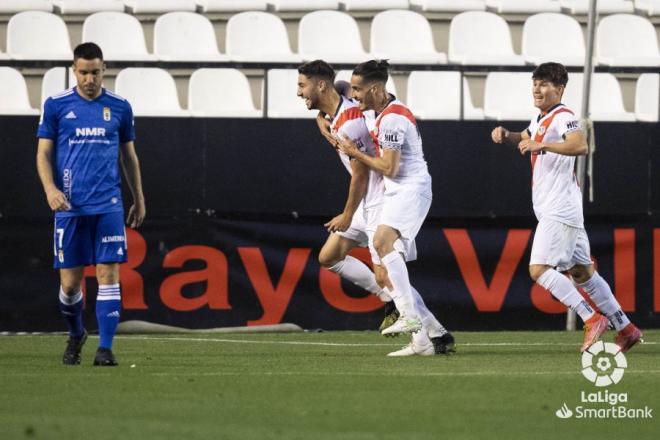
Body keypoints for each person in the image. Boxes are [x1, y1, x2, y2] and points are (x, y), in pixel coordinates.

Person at [490, 62, 642, 353]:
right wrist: (505, 135)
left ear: (559, 89)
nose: (537, 88)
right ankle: (626, 328)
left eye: (545, 84)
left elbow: (580, 145)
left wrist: (542, 147)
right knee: (583, 273)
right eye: (535, 83)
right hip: (560, 208)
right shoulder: (542, 118)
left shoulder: (565, 116)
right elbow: (525, 138)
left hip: (560, 208)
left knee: (538, 269)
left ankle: (591, 317)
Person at [333, 60, 454, 354]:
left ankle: (411, 318)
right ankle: (422, 340)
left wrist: (352, 153)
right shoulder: (381, 112)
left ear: (375, 88)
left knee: (381, 242)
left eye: (358, 89)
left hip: (411, 189)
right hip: (398, 191)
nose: (355, 94)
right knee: (386, 256)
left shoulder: (391, 119)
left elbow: (389, 167)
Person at [36, 42, 146, 366]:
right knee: (70, 286)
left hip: (108, 205)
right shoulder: (56, 105)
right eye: (83, 72)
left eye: (95, 72)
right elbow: (43, 153)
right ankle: (76, 333)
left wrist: (138, 197)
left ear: (104, 69)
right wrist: (50, 189)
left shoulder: (120, 107)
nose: (89, 79)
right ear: (74, 70)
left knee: (108, 274)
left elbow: (129, 156)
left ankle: (106, 349)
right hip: (69, 207)